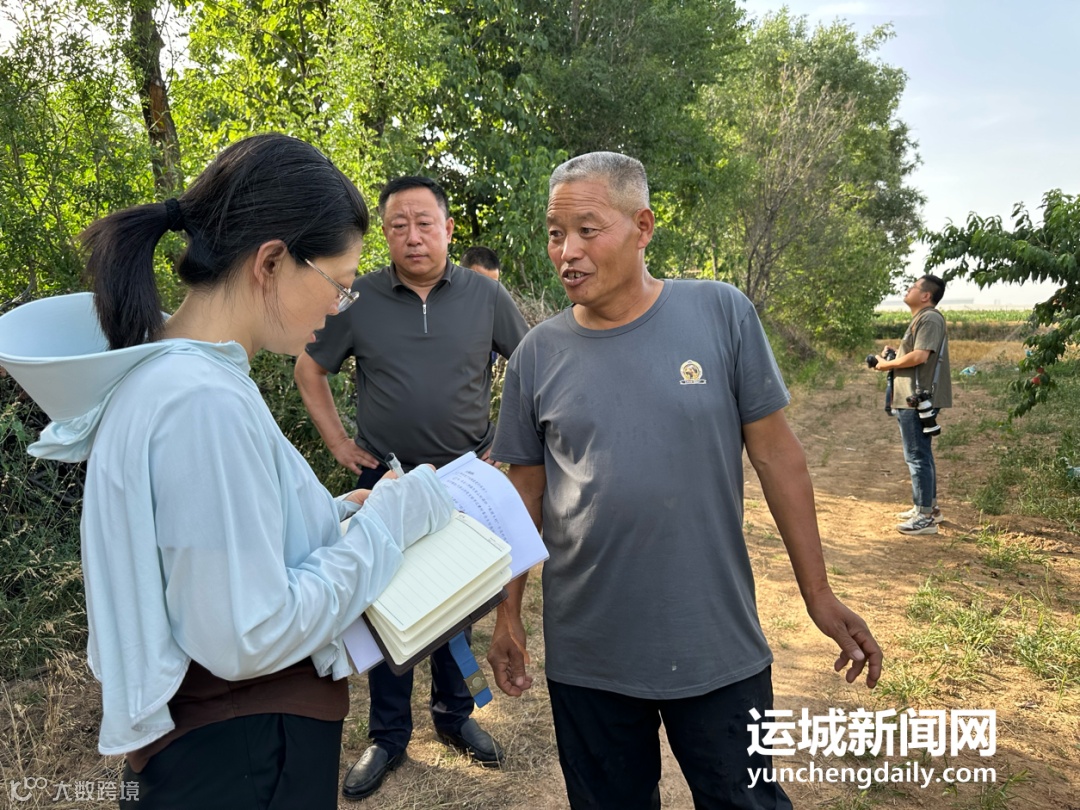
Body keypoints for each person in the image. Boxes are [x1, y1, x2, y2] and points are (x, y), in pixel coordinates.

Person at [0, 134, 456, 809]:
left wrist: (337, 515)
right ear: (271, 262)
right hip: (246, 758)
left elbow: (223, 551)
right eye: (338, 283)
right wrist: (385, 524)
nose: (337, 306)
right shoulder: (200, 401)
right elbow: (249, 632)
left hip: (228, 752)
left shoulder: (175, 378)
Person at [487, 151, 882, 810]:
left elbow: (778, 458)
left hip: (714, 642)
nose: (567, 252)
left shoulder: (721, 314)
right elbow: (523, 493)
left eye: (587, 230)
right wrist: (508, 616)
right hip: (590, 652)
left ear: (642, 227)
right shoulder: (537, 355)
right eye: (555, 234)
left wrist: (817, 592)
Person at [294, 176, 528, 800]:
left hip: (463, 480)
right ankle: (389, 734)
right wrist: (339, 444)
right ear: (386, 234)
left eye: (425, 223)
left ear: (448, 229)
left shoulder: (484, 295)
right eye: (399, 225)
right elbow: (309, 369)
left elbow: (532, 364)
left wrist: (508, 440)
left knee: (460, 602)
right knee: (387, 604)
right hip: (388, 483)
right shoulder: (359, 299)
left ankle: (456, 716)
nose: (413, 236)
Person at [871, 275, 951, 535]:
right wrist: (897, 354)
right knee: (922, 454)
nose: (908, 290)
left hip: (917, 398)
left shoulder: (929, 318)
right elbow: (915, 355)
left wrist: (886, 364)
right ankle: (928, 508)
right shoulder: (923, 318)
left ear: (926, 295)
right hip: (913, 396)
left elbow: (919, 356)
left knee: (916, 456)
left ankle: (924, 518)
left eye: (913, 287)